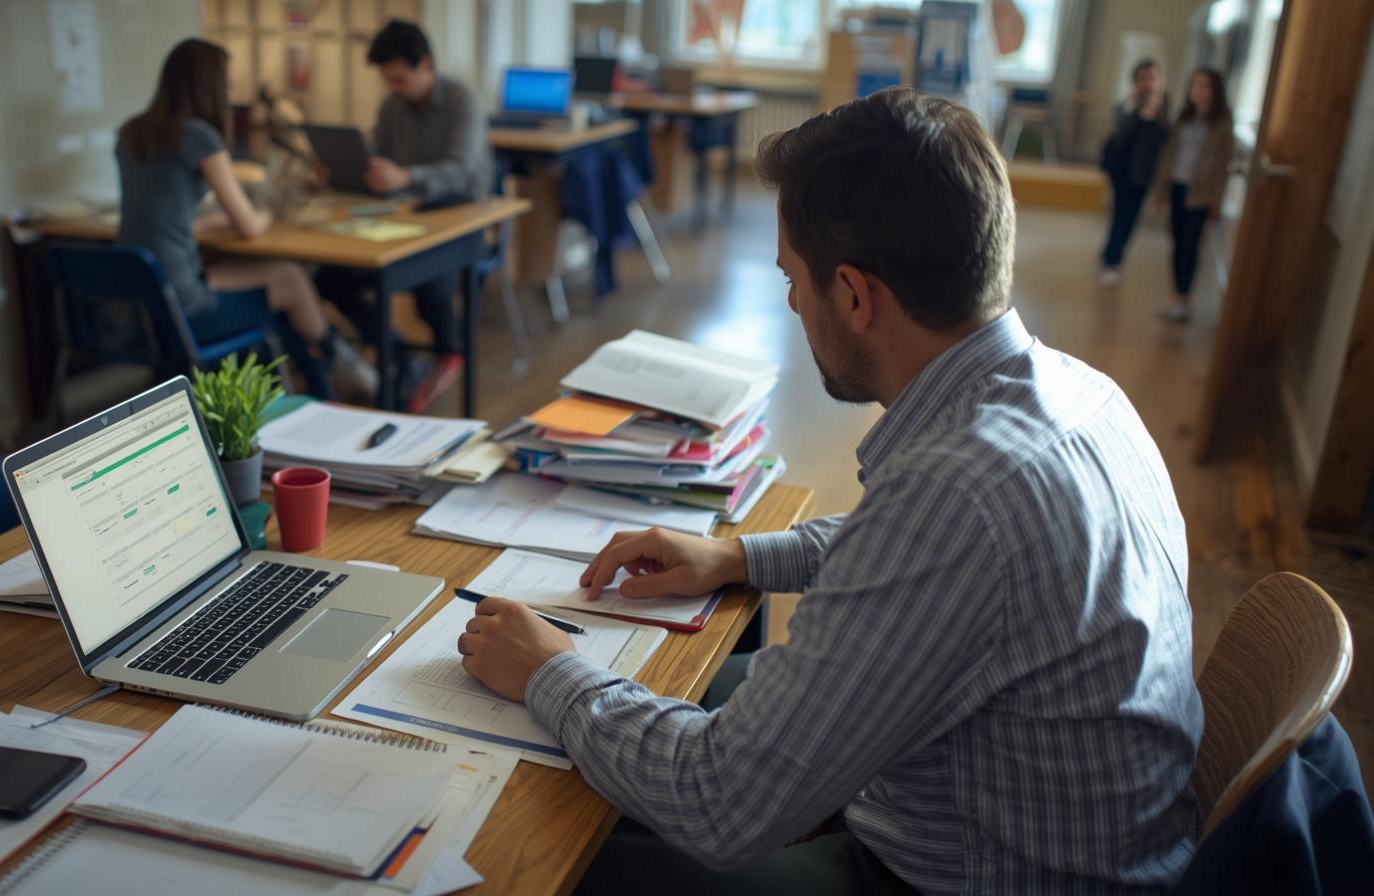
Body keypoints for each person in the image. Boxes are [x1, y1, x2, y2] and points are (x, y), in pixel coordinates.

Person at [456, 88, 1203, 893]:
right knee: (673, 690)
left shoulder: (956, 494)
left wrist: (549, 670)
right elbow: (920, 552)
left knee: (538, 853)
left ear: (852, 294)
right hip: (1043, 827)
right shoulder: (1077, 392)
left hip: (958, 874)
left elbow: (718, 803)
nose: (790, 301)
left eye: (792, 278)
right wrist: (734, 555)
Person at [116, 38, 371, 395]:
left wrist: (219, 221)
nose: (232, 91)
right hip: (185, 310)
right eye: (228, 83)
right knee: (290, 277)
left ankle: (320, 368)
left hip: (141, 300)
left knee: (268, 281)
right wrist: (268, 213)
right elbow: (250, 227)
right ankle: (336, 363)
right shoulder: (199, 137)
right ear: (210, 86)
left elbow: (175, 220)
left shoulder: (131, 134)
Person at [313, 19, 492, 411]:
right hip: (404, 216)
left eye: (399, 79)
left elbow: (463, 170)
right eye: (388, 81)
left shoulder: (464, 100)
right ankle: (397, 352)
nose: (394, 89)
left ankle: (448, 349)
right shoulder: (392, 106)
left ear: (425, 65)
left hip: (459, 216)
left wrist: (406, 175)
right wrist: (348, 167)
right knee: (329, 277)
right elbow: (375, 155)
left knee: (429, 279)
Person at [1153, 67, 1235, 323]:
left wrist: (1216, 201)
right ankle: (1176, 297)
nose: (1198, 91)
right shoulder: (1184, 118)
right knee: (1177, 244)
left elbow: (1223, 166)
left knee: (1190, 245)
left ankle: (1184, 299)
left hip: (1200, 194)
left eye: (1205, 86)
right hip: (1177, 186)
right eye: (1195, 85)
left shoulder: (1222, 123)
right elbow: (1169, 155)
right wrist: (1161, 192)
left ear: (1215, 91)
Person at [1098, 59, 1170, 287]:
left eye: (1151, 78)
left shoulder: (1164, 109)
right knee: (1119, 214)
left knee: (1131, 218)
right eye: (1143, 79)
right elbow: (1120, 131)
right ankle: (1112, 260)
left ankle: (1112, 254)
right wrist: (1134, 108)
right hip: (1122, 170)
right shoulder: (1127, 104)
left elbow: (1164, 141)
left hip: (1144, 173)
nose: (1147, 83)